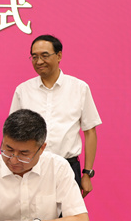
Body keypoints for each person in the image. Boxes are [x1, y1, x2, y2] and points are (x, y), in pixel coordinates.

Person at [10, 34, 101, 197]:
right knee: (30, 212)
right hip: (31, 168)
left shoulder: (79, 88)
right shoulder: (23, 90)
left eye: (44, 55)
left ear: (59, 56)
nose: (39, 61)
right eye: (34, 57)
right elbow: (13, 133)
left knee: (66, 213)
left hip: (67, 167)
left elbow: (90, 132)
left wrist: (87, 173)